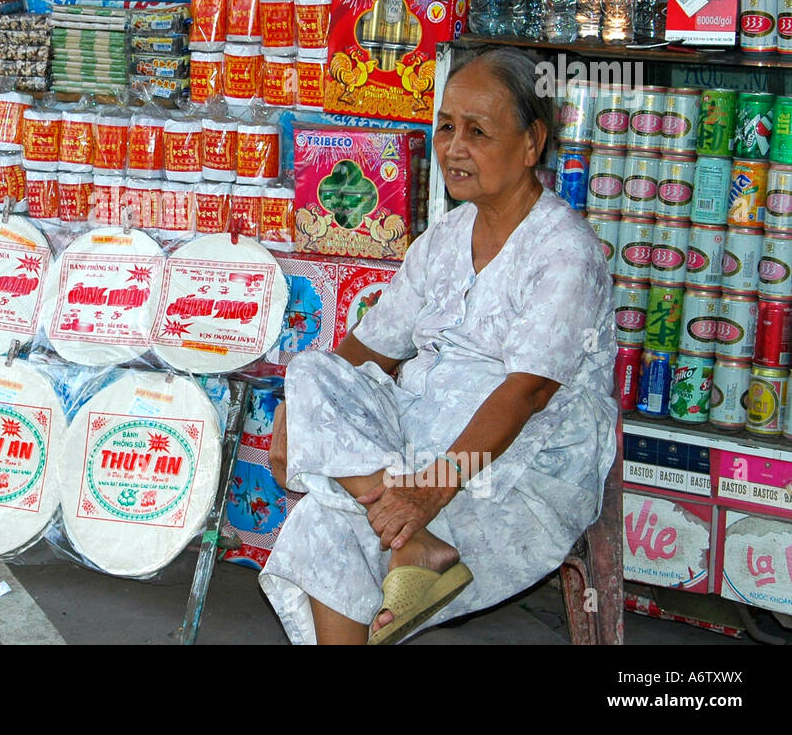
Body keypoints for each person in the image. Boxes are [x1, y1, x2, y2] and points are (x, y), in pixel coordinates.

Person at [261, 47, 616, 645]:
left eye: (478, 132)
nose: (454, 147)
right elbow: (365, 350)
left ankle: (409, 533)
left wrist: (427, 492)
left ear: (532, 143)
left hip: (512, 467)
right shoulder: (445, 238)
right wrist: (297, 412)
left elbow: (526, 394)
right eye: (447, 126)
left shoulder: (564, 252)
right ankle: (415, 543)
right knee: (312, 368)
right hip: (417, 445)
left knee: (329, 515)